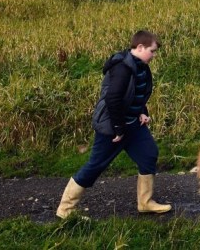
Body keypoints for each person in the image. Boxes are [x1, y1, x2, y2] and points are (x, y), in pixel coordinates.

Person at [56, 30, 171, 218]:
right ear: (140, 47)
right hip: (113, 128)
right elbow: (113, 99)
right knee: (95, 166)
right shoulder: (122, 68)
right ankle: (65, 209)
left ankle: (145, 202)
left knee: (149, 153)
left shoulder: (141, 66)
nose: (154, 55)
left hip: (133, 125)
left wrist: (142, 112)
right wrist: (118, 128)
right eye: (152, 51)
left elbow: (137, 94)